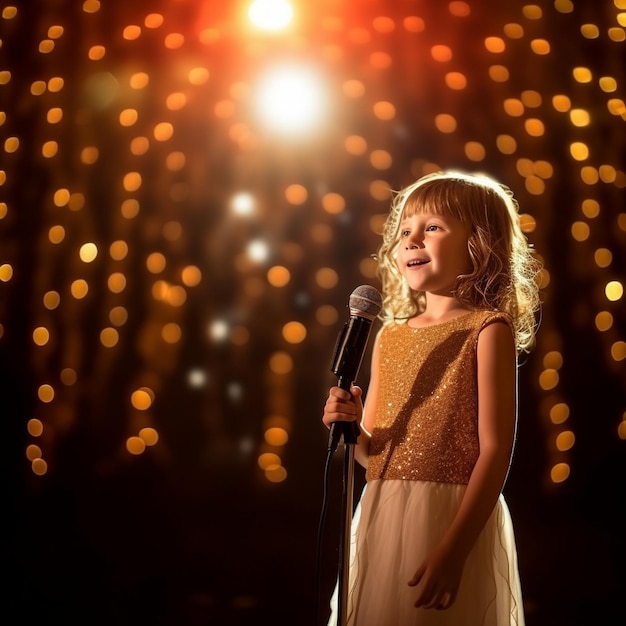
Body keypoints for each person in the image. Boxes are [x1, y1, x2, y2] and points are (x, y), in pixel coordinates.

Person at [322, 170, 542, 625]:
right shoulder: (389, 336)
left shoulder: (487, 329)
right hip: (382, 518)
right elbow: (376, 456)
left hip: (448, 520)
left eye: (433, 228)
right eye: (405, 230)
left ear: (478, 244)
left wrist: (454, 549)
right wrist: (351, 427)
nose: (411, 240)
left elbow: (496, 450)